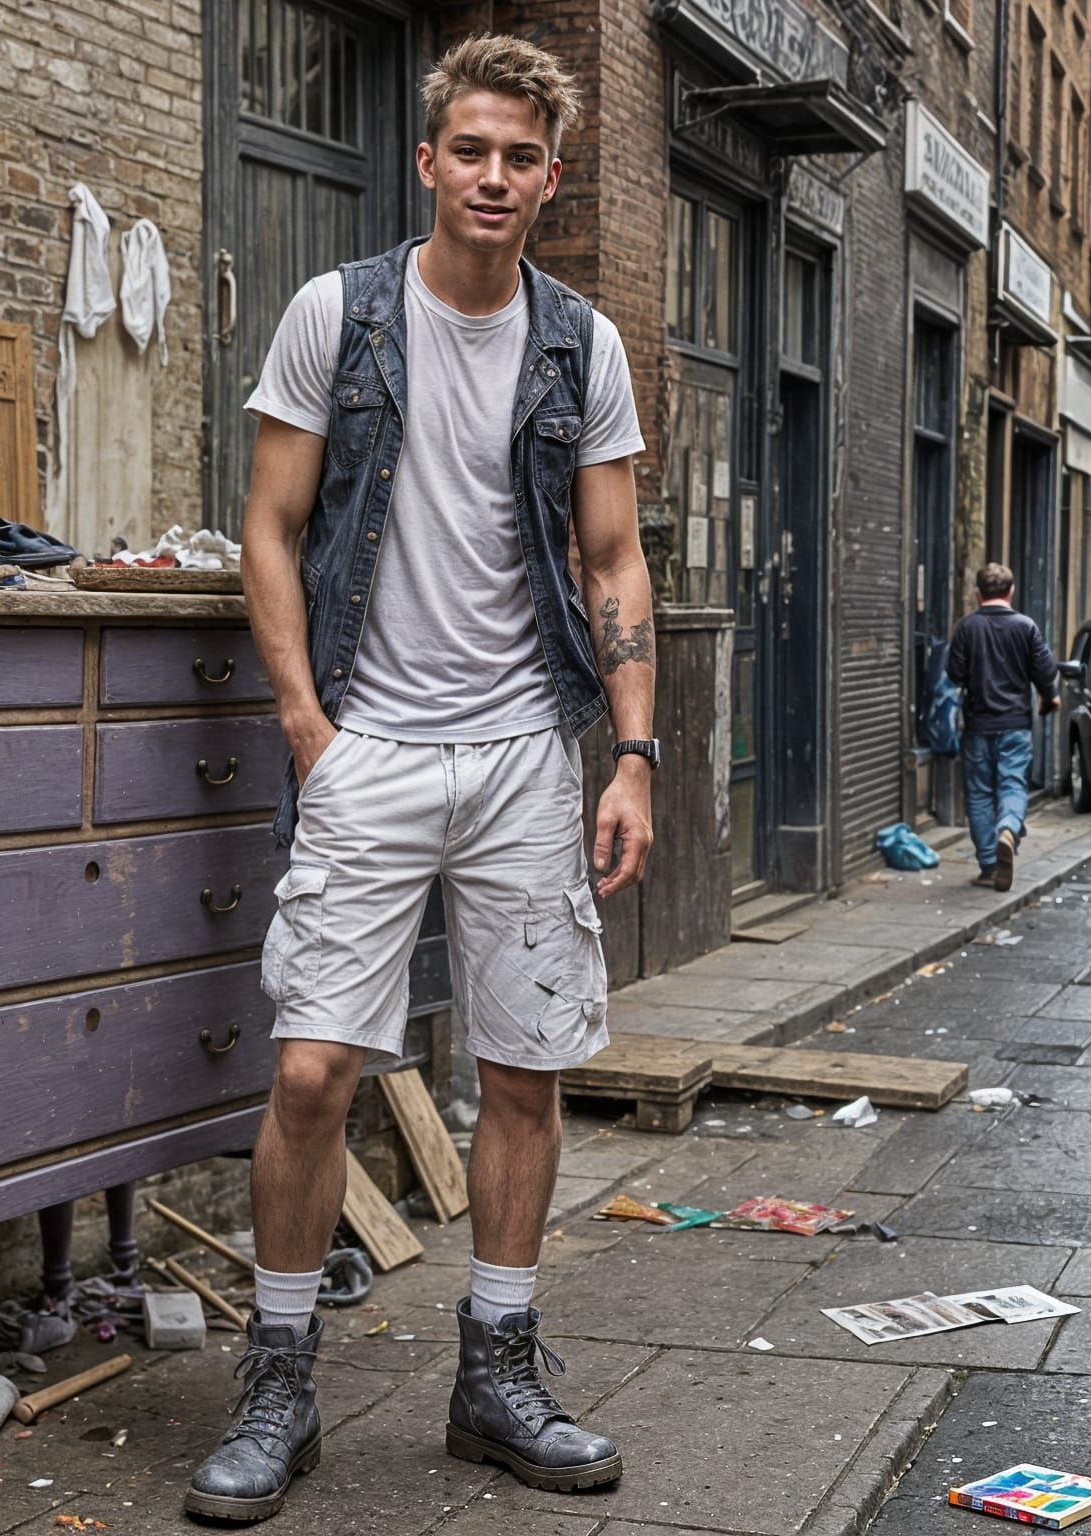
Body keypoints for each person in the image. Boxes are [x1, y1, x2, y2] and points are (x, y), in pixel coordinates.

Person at [183, 34, 657, 1525]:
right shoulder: (342, 314)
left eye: (523, 158)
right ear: (429, 160)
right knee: (316, 1066)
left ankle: (497, 1368)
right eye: (474, 151)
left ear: (551, 178)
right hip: (370, 747)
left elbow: (614, 556)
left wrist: (630, 752)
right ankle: (278, 1378)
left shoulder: (583, 344)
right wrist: (311, 726)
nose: (496, 178)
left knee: (523, 1068)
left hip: (527, 750)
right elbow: (269, 523)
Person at [947, 562, 1058, 891]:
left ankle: (989, 867)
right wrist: (1049, 697)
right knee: (1012, 786)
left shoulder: (967, 628)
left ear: (978, 595)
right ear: (1011, 592)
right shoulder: (1026, 627)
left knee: (979, 796)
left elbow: (954, 674)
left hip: (979, 726)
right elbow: (1046, 669)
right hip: (1014, 726)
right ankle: (1008, 829)